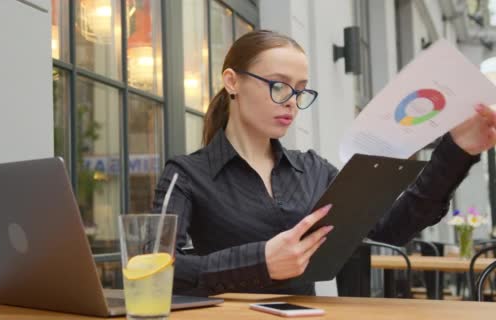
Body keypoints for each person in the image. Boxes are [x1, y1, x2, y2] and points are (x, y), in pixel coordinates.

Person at [152, 30, 496, 296]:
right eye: (278, 86)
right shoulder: (186, 175)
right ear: (232, 82)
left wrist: (458, 150)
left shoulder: (313, 171)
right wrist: (261, 262)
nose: (291, 102)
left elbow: (389, 230)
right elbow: (154, 271)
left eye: (300, 90)